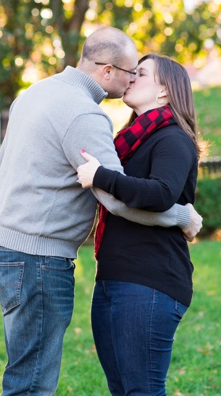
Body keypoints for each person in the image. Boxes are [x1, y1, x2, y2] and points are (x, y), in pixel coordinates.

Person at [0, 28, 204, 396]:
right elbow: (116, 200)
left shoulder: (34, 94)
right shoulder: (85, 115)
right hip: (38, 256)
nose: (132, 79)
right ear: (107, 71)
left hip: (5, 249)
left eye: (141, 74)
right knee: (31, 384)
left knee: (28, 374)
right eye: (130, 71)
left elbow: (6, 163)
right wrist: (181, 217)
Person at [75, 53, 201, 396]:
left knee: (141, 390)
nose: (130, 77)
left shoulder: (173, 139)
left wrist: (101, 175)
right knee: (123, 390)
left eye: (141, 73)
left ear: (165, 92)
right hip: (114, 278)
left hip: (151, 280)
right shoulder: (129, 141)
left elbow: (161, 193)